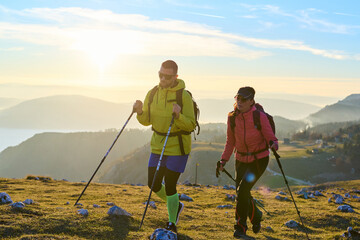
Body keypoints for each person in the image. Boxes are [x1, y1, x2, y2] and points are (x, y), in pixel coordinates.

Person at [133, 60, 196, 234]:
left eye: (167, 76)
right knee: (152, 183)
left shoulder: (184, 96)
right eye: (160, 75)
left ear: (176, 76)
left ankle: (171, 222)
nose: (163, 79)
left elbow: (191, 125)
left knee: (169, 184)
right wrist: (139, 111)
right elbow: (146, 120)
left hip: (178, 146)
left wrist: (178, 116)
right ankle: (176, 204)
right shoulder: (152, 93)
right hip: (158, 144)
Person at [216, 86, 278, 239]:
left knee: (243, 191)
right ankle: (256, 216)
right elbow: (230, 142)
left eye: (244, 99)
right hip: (241, 159)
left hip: (259, 160)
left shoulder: (259, 116)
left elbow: (271, 136)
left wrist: (273, 144)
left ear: (251, 101)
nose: (240, 101)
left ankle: (240, 228)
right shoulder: (232, 117)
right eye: (238, 98)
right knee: (242, 192)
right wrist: (223, 160)